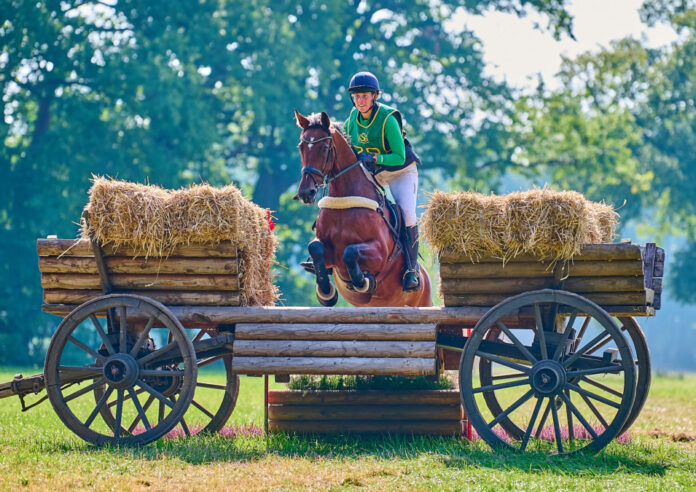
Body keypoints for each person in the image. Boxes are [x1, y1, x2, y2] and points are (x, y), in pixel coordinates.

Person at [344, 71, 422, 291]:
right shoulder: (352, 118)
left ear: (374, 96)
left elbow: (398, 156)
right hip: (375, 172)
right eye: (356, 96)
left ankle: (411, 269)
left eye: (365, 96)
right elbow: (346, 144)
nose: (360, 101)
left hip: (401, 171)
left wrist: (375, 157)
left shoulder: (388, 118)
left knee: (407, 214)